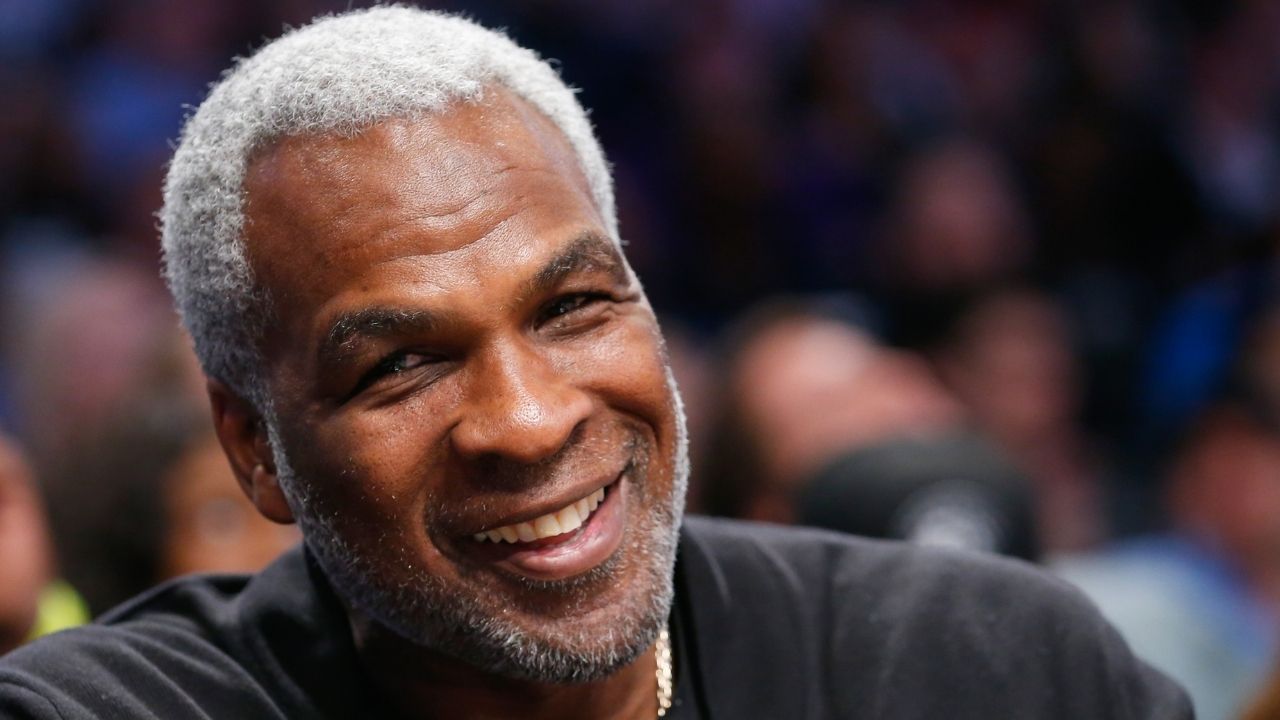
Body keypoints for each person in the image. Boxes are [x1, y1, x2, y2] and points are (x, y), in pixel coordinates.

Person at [0, 8, 1190, 719]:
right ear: (256, 450)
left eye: (572, 307)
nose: (525, 420)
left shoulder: (983, 670)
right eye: (401, 367)